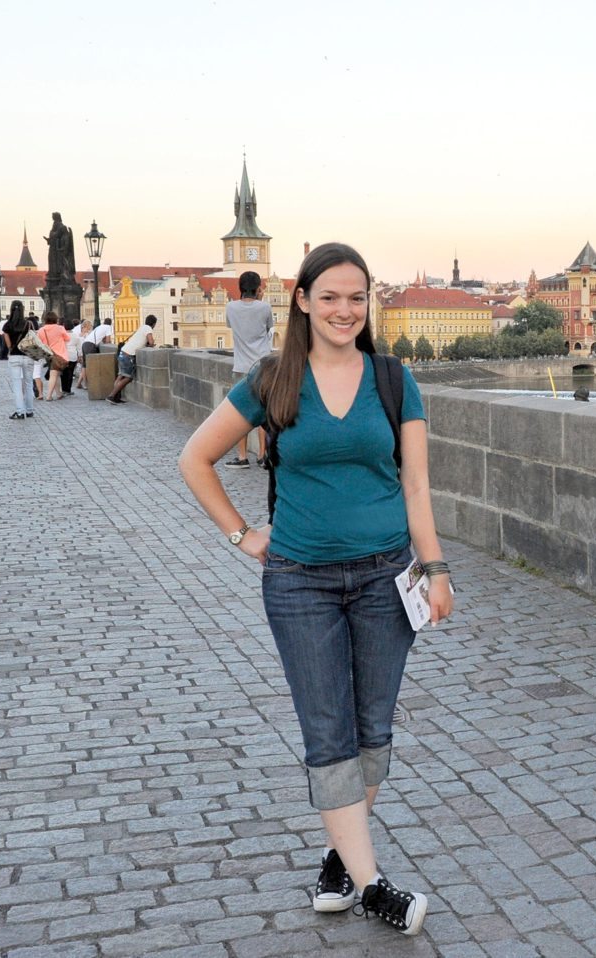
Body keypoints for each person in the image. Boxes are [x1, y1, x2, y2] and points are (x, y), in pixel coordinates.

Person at [178, 242, 452, 937]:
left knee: (371, 731)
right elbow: (196, 457)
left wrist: (437, 568)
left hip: (386, 577)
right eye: (328, 296)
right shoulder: (275, 380)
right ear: (301, 300)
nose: (343, 309)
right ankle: (372, 884)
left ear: (368, 303)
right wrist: (243, 535)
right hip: (300, 582)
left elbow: (416, 485)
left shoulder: (393, 379)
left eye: (356, 297)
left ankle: (337, 855)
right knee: (329, 731)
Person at [225, 270, 274, 468]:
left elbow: (231, 325)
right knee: (263, 409)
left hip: (242, 366)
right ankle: (262, 455)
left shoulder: (231, 307)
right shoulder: (265, 307)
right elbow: (269, 327)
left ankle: (242, 456)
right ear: (258, 288)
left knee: (241, 411)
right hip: (262, 365)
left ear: (240, 288)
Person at [106, 315, 157, 404]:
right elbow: (151, 342)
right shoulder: (148, 328)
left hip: (123, 352)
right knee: (128, 378)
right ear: (153, 324)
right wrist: (150, 345)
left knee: (121, 376)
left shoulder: (142, 327)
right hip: (128, 355)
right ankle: (111, 396)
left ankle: (116, 397)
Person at [1, 302, 36, 420]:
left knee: (17, 385)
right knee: (29, 383)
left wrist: (12, 348)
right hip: (28, 355)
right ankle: (30, 410)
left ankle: (20, 412)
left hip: (15, 356)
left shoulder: (7, 325)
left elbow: (9, 345)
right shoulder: (28, 324)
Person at [36, 312, 70, 401]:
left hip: (48, 354)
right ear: (55, 319)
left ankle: (59, 393)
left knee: (56, 374)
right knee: (54, 375)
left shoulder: (41, 330)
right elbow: (67, 339)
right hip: (59, 354)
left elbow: (39, 343)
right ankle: (49, 395)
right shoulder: (60, 328)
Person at [72, 319, 92, 389]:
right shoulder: (77, 333)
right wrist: (79, 355)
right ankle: (84, 384)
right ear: (85, 327)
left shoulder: (84, 333)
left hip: (82, 351)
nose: (89, 330)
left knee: (83, 368)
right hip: (80, 352)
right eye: (88, 328)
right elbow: (77, 345)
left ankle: (79, 383)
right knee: (84, 368)